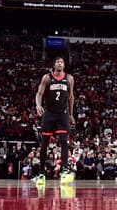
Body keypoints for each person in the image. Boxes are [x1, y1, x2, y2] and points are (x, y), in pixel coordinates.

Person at [34, 57, 75, 186]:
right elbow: (39, 93)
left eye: (61, 62)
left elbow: (71, 97)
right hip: (49, 113)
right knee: (44, 143)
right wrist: (38, 105)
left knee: (64, 141)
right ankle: (41, 173)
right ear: (54, 65)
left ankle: (65, 171)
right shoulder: (47, 78)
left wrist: (71, 115)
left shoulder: (69, 78)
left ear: (64, 65)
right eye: (57, 62)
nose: (60, 64)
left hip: (63, 113)